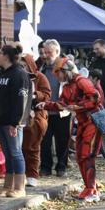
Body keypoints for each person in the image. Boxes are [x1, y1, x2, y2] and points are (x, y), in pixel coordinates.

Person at [41, 57, 103, 202]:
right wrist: (45, 105)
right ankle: (89, 188)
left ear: (66, 71)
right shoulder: (68, 86)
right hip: (83, 122)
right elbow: (61, 104)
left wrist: (79, 106)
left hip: (92, 121)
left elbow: (95, 97)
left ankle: (92, 190)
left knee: (87, 155)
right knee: (81, 156)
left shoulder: (82, 81)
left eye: (59, 73)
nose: (57, 76)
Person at [0, 44, 32, 197]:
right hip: (1, 120)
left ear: (6, 56)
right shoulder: (1, 73)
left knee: (15, 152)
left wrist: (16, 122)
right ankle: (8, 186)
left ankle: (20, 187)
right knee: (7, 153)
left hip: (13, 122)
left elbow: (22, 100)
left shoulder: (19, 74)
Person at [39, 39, 71, 177]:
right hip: (46, 109)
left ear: (57, 52)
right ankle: (46, 166)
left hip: (62, 110)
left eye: (49, 52)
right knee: (44, 141)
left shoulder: (67, 66)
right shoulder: (41, 66)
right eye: (44, 52)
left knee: (62, 140)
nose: (45, 55)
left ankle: (61, 166)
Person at [20, 54, 50, 188]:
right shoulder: (17, 76)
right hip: (20, 115)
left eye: (24, 65)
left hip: (36, 115)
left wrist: (34, 95)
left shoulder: (40, 77)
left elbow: (47, 95)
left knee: (32, 147)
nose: (22, 68)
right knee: (19, 148)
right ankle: (21, 174)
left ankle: (32, 175)